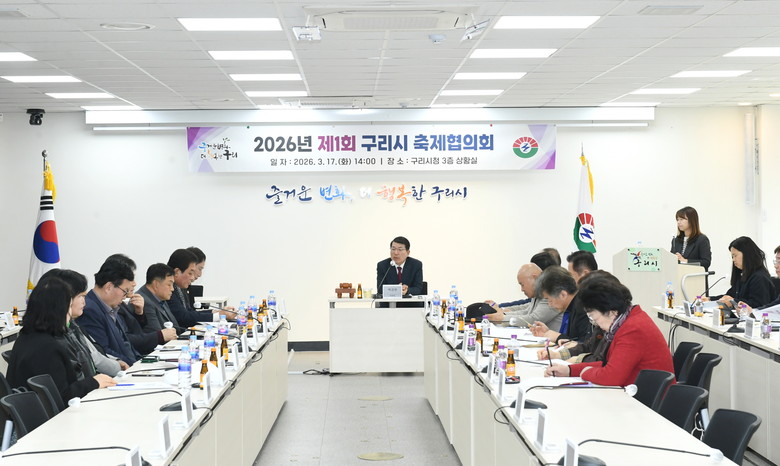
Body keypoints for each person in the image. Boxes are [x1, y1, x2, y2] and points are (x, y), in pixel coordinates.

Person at [545, 275, 674, 387]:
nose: (596, 324)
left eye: (595, 318)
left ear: (611, 312)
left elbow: (611, 376)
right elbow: (608, 366)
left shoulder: (633, 329)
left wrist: (585, 373)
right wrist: (569, 370)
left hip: (648, 400)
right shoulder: (626, 322)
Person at [7, 277, 116, 401]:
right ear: (59, 310)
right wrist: (94, 382)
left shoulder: (26, 336)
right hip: (56, 412)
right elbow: (63, 396)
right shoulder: (49, 347)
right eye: (69, 306)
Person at [41, 268, 127, 376]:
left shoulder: (72, 325)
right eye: (80, 296)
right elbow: (93, 359)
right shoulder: (55, 338)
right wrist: (117, 367)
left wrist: (117, 362)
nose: (84, 302)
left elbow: (93, 353)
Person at [106, 254, 177, 355]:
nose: (134, 283)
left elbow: (134, 330)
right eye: (130, 279)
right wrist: (160, 336)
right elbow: (125, 339)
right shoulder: (109, 305)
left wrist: (139, 313)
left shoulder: (122, 303)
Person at [77, 258, 140, 365]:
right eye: (125, 291)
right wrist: (133, 365)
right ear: (109, 287)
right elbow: (103, 351)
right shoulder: (89, 310)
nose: (125, 297)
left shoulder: (111, 306)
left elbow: (126, 345)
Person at [484, 264, 561, 330]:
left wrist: (503, 318)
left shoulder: (550, 293)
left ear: (535, 278)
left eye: (522, 284)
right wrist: (503, 314)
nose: (521, 289)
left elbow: (534, 319)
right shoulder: (538, 293)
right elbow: (526, 311)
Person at [706, 236, 774, 309]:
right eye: (732, 257)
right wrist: (710, 299)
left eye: (735, 256)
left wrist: (733, 302)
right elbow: (729, 296)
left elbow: (758, 304)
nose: (733, 260)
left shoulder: (759, 277)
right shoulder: (742, 275)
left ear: (747, 254)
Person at [167, 248, 230, 327]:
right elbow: (184, 317)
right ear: (177, 272)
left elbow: (189, 312)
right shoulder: (168, 289)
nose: (192, 278)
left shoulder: (180, 287)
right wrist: (218, 316)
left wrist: (215, 312)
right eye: (190, 273)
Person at [529, 266, 592, 344]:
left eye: (549, 299)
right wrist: (547, 333)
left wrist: (557, 337)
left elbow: (584, 345)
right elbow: (572, 338)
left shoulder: (582, 309)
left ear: (563, 295)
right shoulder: (573, 305)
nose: (549, 304)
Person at [136, 263, 184, 334]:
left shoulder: (160, 298)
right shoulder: (144, 302)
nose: (172, 289)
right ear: (156, 284)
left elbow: (176, 328)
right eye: (169, 284)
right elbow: (157, 335)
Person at [670, 206, 712, 270]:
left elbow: (706, 262)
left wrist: (685, 261)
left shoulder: (702, 239)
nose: (678, 222)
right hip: (679, 275)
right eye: (677, 219)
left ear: (691, 220)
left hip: (694, 275)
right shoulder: (676, 240)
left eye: (681, 219)